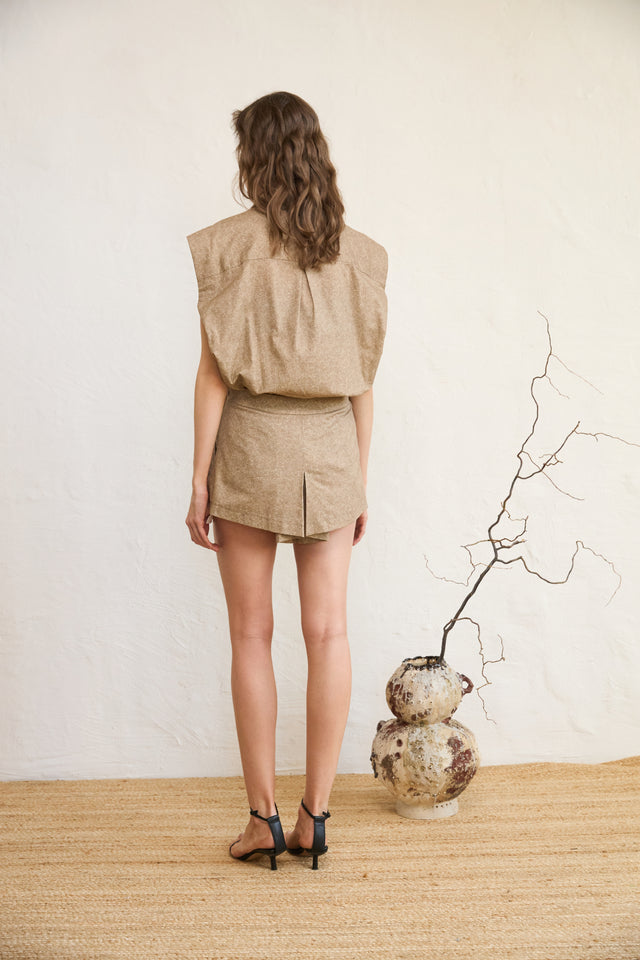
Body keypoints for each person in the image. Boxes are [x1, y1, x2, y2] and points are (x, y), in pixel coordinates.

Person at [185, 91, 388, 870]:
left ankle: (262, 821)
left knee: (251, 633)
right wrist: (359, 480)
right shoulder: (362, 254)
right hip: (333, 449)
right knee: (329, 631)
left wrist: (199, 481)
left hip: (251, 445)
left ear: (254, 157)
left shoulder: (227, 248)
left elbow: (211, 376)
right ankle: (317, 817)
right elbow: (364, 384)